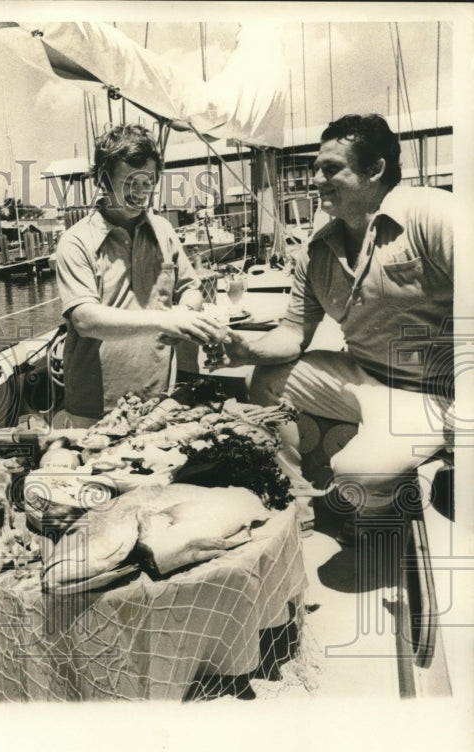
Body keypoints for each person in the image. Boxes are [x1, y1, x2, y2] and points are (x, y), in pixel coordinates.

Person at [222, 114, 453, 542]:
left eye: (331, 169)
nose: (316, 180)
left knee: (356, 470)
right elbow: (293, 334)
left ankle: (384, 515)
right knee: (267, 378)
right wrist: (244, 350)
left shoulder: (431, 214)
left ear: (374, 169)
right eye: (316, 169)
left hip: (439, 391)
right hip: (365, 378)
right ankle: (299, 502)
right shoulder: (317, 251)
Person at [52, 124, 227, 427]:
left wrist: (185, 313)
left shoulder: (164, 230)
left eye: (148, 181)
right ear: (103, 179)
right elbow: (85, 319)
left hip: (159, 398)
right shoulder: (75, 241)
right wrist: (165, 320)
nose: (141, 192)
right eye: (130, 182)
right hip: (94, 408)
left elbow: (191, 288)